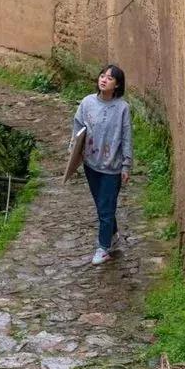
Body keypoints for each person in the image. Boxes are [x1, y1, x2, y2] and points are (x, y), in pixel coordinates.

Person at [71, 64, 133, 265]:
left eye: (110, 78)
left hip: (111, 168)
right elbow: (78, 127)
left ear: (117, 85)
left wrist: (126, 165)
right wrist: (74, 151)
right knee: (102, 206)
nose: (104, 79)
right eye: (102, 76)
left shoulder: (122, 108)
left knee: (106, 209)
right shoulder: (87, 102)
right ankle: (112, 233)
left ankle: (103, 247)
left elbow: (126, 136)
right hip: (91, 165)